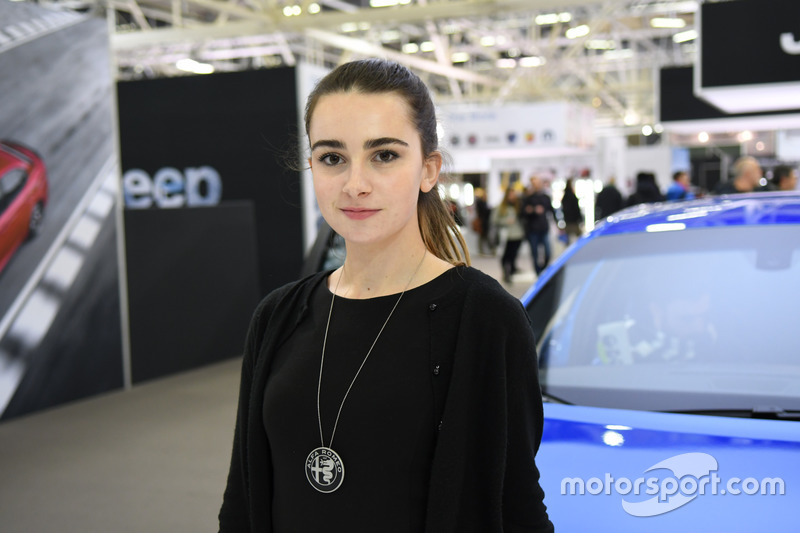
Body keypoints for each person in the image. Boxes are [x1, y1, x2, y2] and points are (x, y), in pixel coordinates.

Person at [218, 58, 553, 533]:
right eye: (332, 158)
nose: (355, 184)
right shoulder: (278, 316)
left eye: (385, 155)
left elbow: (516, 500)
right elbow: (243, 497)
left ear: (429, 170)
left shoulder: (484, 317)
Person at [521, 175, 557, 276]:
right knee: (535, 253)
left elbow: (551, 210)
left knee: (548, 252)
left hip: (544, 228)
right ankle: (538, 272)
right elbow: (523, 212)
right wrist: (533, 210)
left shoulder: (546, 197)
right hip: (532, 229)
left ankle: (543, 268)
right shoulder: (528, 198)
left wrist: (558, 223)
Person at [491, 185, 525, 283]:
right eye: (510, 194)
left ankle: (511, 270)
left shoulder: (518, 206)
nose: (512, 196)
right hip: (507, 235)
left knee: (513, 255)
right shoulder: (501, 207)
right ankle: (506, 273)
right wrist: (506, 221)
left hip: (518, 234)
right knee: (506, 255)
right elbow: (494, 220)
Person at [560, 178, 583, 244]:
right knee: (579, 238)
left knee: (568, 239)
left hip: (567, 220)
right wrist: (580, 218)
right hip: (574, 220)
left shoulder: (565, 197)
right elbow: (576, 209)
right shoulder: (572, 196)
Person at [473, 187, 495, 255]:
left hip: (485, 222)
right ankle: (484, 250)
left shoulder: (484, 203)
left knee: (485, 237)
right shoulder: (480, 203)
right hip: (482, 222)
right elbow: (484, 212)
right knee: (484, 237)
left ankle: (485, 249)